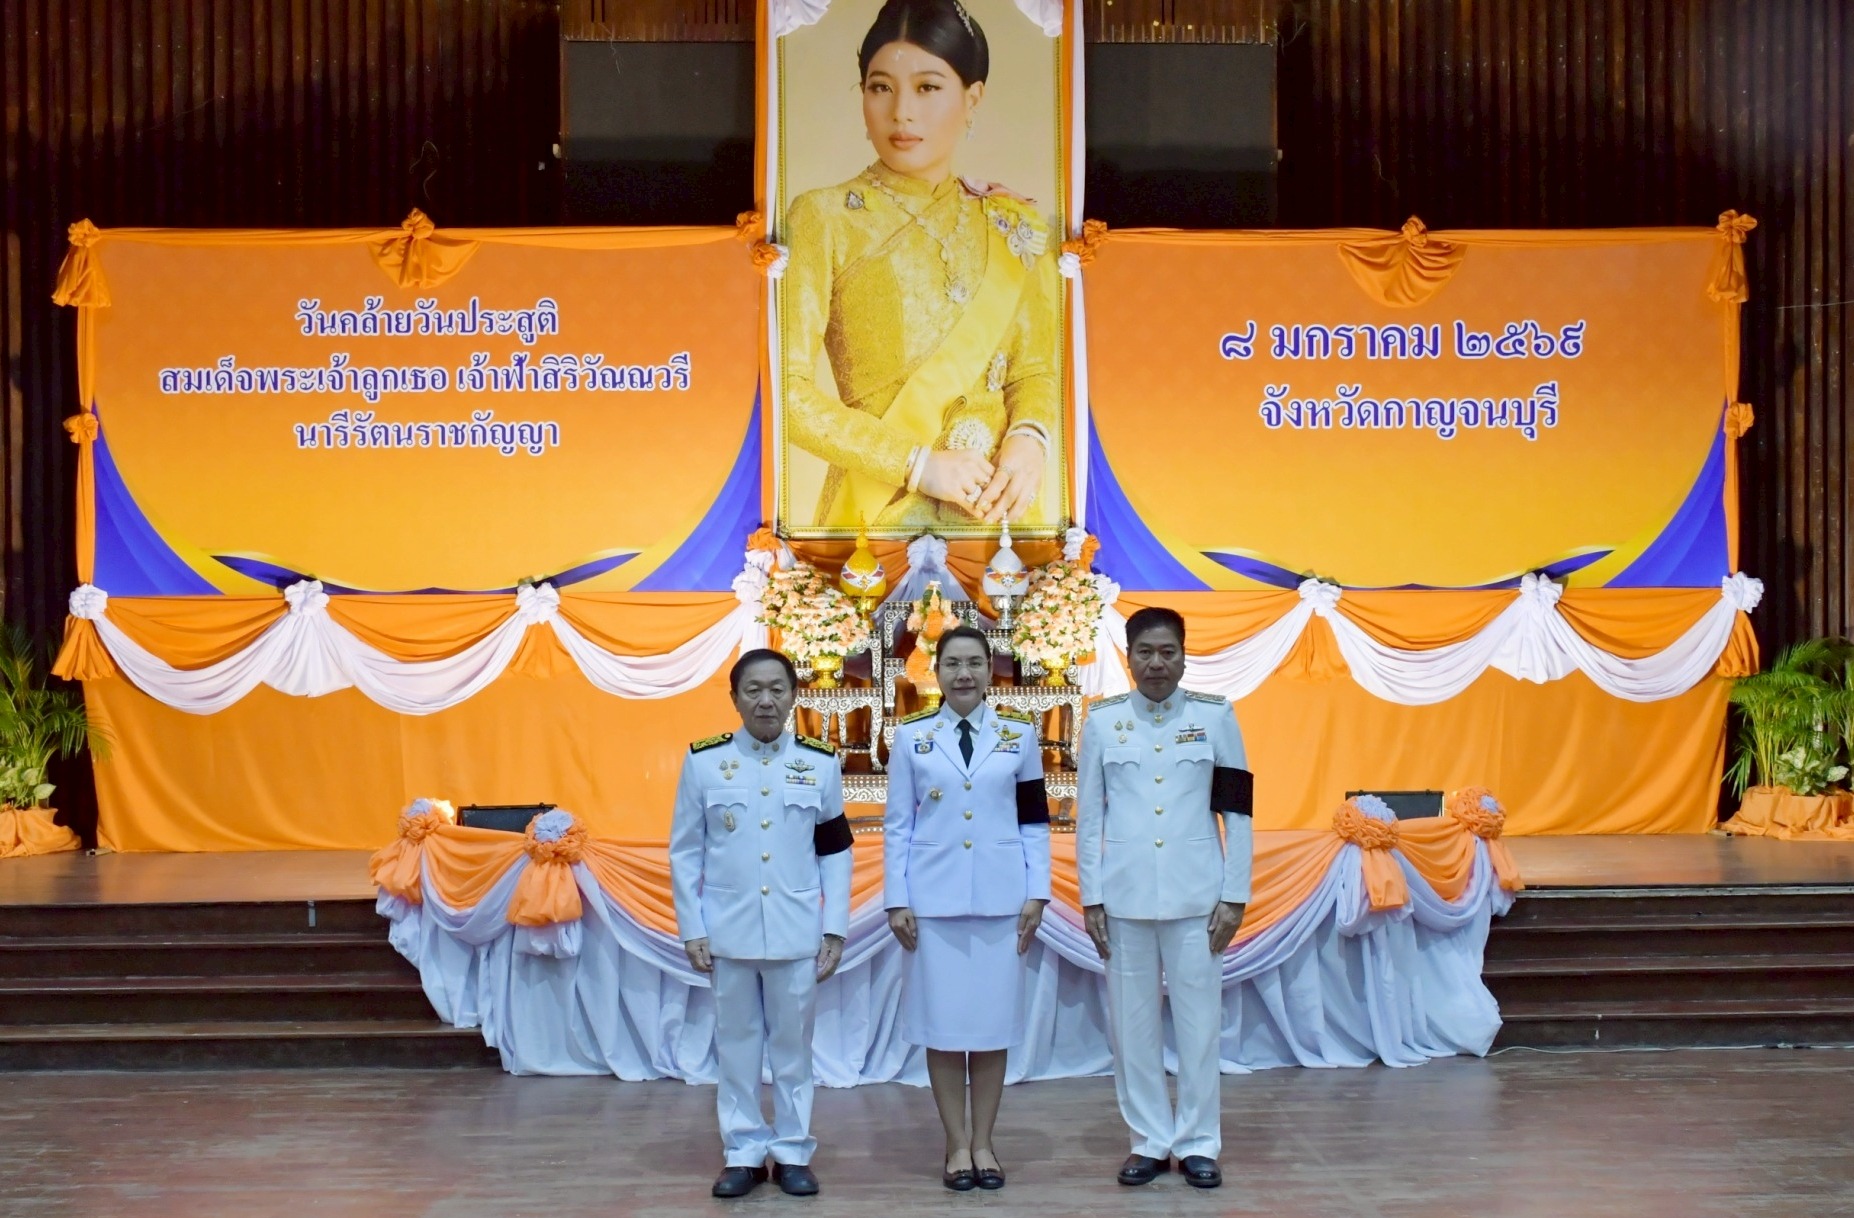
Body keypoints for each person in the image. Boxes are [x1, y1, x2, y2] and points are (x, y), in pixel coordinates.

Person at [783, 0, 1060, 531]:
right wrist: (917, 466)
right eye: (880, 87)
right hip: (875, 516)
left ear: (972, 98)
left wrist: (1031, 440)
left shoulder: (1012, 224)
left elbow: (1036, 371)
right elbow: (786, 392)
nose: (901, 112)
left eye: (928, 88)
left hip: (999, 516)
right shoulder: (825, 216)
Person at [1075, 606, 1253, 1190]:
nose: (1157, 663)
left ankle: (1200, 1142)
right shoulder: (1102, 722)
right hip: (1124, 899)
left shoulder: (1215, 717)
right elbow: (1088, 819)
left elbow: (1238, 812)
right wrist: (1092, 898)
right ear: (1128, 657)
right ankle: (1149, 1140)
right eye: (1145, 652)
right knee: (1132, 1027)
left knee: (1202, 1024)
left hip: (1199, 896)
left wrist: (1235, 893)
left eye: (1168, 652)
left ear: (1183, 654)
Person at [669, 647, 855, 1198]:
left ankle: (794, 1150)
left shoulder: (820, 763)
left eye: (777, 688)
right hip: (728, 931)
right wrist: (692, 927)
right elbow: (686, 851)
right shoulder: (705, 761)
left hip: (797, 929)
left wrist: (835, 927)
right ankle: (744, 1151)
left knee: (795, 1047)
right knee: (737, 1045)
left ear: (795, 695)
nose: (766, 700)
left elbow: (835, 851)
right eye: (754, 690)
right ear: (735, 698)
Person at [883, 624, 1050, 1190]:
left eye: (975, 663)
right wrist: (897, 898)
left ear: (990, 669)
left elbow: (1033, 820)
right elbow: (897, 826)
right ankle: (956, 1144)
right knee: (945, 1027)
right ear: (936, 671)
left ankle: (985, 1142)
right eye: (953, 663)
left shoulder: (1018, 736)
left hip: (1004, 899)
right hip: (933, 902)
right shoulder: (911, 737)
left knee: (993, 1026)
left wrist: (1038, 890)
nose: (964, 674)